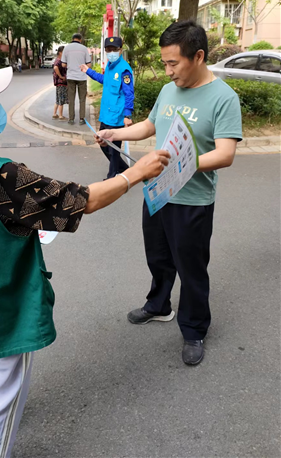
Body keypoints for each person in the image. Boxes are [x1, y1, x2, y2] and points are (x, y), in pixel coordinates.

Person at [0, 57, 170, 458]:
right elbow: (80, 201)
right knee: (7, 394)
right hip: (5, 303)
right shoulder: (2, 176)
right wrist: (137, 172)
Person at [96, 20, 242, 366]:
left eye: (173, 63)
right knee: (159, 257)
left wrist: (180, 163)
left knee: (191, 267)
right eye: (164, 63)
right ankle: (159, 304)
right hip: (157, 192)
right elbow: (150, 126)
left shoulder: (223, 98)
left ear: (199, 56)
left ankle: (193, 328)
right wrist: (114, 134)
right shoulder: (167, 91)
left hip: (192, 200)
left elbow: (225, 154)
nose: (168, 70)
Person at [81, 36, 134, 179]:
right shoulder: (110, 66)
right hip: (106, 114)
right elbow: (103, 80)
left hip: (117, 116)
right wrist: (88, 71)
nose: (111, 52)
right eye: (108, 50)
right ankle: (124, 169)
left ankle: (112, 176)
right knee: (102, 143)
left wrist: (127, 115)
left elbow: (129, 93)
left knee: (114, 149)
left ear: (120, 50)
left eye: (114, 49)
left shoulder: (124, 69)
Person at [61, 33, 91, 125]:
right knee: (82, 99)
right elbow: (88, 64)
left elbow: (63, 64)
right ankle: (82, 119)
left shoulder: (66, 48)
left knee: (71, 99)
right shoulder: (84, 49)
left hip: (70, 77)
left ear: (72, 39)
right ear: (80, 40)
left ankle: (71, 119)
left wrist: (70, 64)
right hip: (82, 77)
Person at [52, 45, 68, 121]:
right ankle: (61, 116)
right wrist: (61, 76)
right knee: (61, 99)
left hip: (58, 83)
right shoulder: (59, 60)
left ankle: (55, 114)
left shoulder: (59, 60)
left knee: (58, 99)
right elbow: (55, 68)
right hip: (61, 82)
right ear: (60, 52)